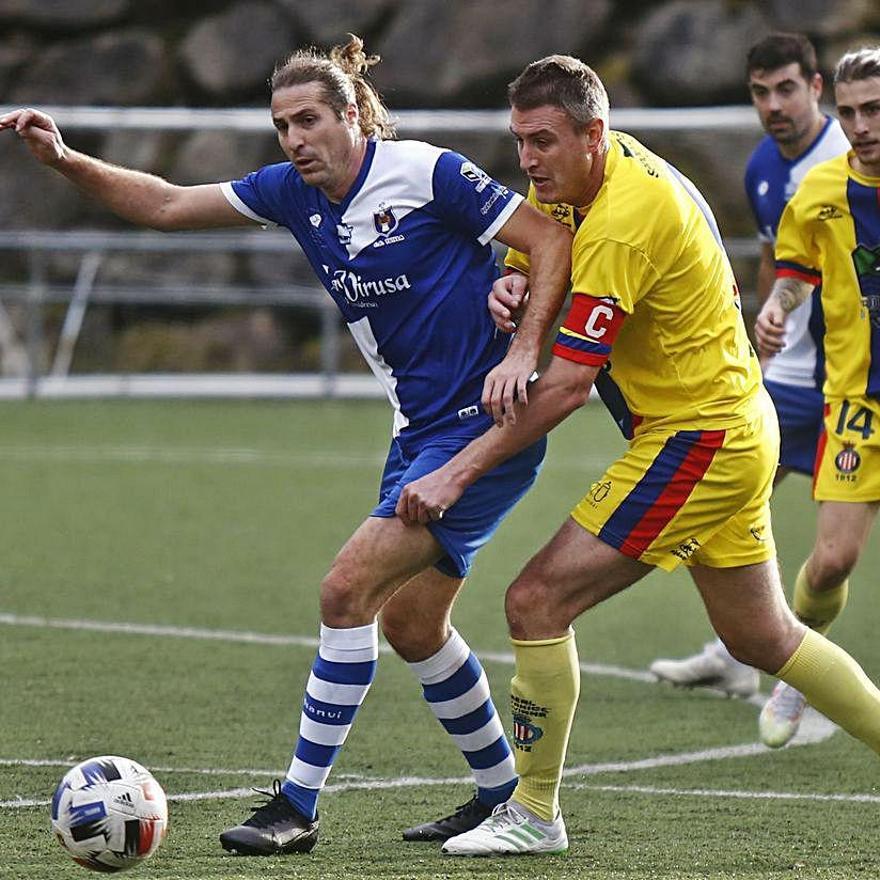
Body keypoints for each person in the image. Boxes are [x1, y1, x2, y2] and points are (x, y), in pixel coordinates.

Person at [0, 36, 573, 854]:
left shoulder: (426, 173)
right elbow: (164, 205)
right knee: (413, 626)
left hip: (485, 430)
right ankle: (500, 796)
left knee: (345, 592)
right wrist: (64, 160)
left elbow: (549, 240)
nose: (295, 139)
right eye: (281, 125)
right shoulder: (289, 194)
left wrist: (523, 350)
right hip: (417, 431)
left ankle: (295, 808)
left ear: (351, 116)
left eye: (309, 120)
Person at [395, 54, 880, 857]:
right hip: (725, 427)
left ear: (595, 133)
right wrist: (511, 289)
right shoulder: (576, 181)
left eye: (542, 141)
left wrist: (457, 470)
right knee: (763, 638)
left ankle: (534, 812)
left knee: (535, 602)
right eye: (519, 140)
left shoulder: (627, 214)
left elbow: (564, 390)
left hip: (701, 438)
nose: (527, 160)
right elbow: (534, 254)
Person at [649, 34, 851, 745]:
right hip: (794, 378)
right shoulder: (766, 164)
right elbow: (776, 259)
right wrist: (765, 327)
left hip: (857, 381)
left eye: (786, 89)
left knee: (833, 559)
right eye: (760, 92)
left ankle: (808, 679)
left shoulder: (851, 162)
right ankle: (739, 652)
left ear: (817, 88)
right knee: (722, 510)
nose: (773, 106)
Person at [753, 45, 880, 745]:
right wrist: (778, 307)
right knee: (832, 561)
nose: (861, 124)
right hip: (859, 401)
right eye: (851, 111)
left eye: (875, 110)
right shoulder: (821, 193)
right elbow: (796, 275)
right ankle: (800, 672)